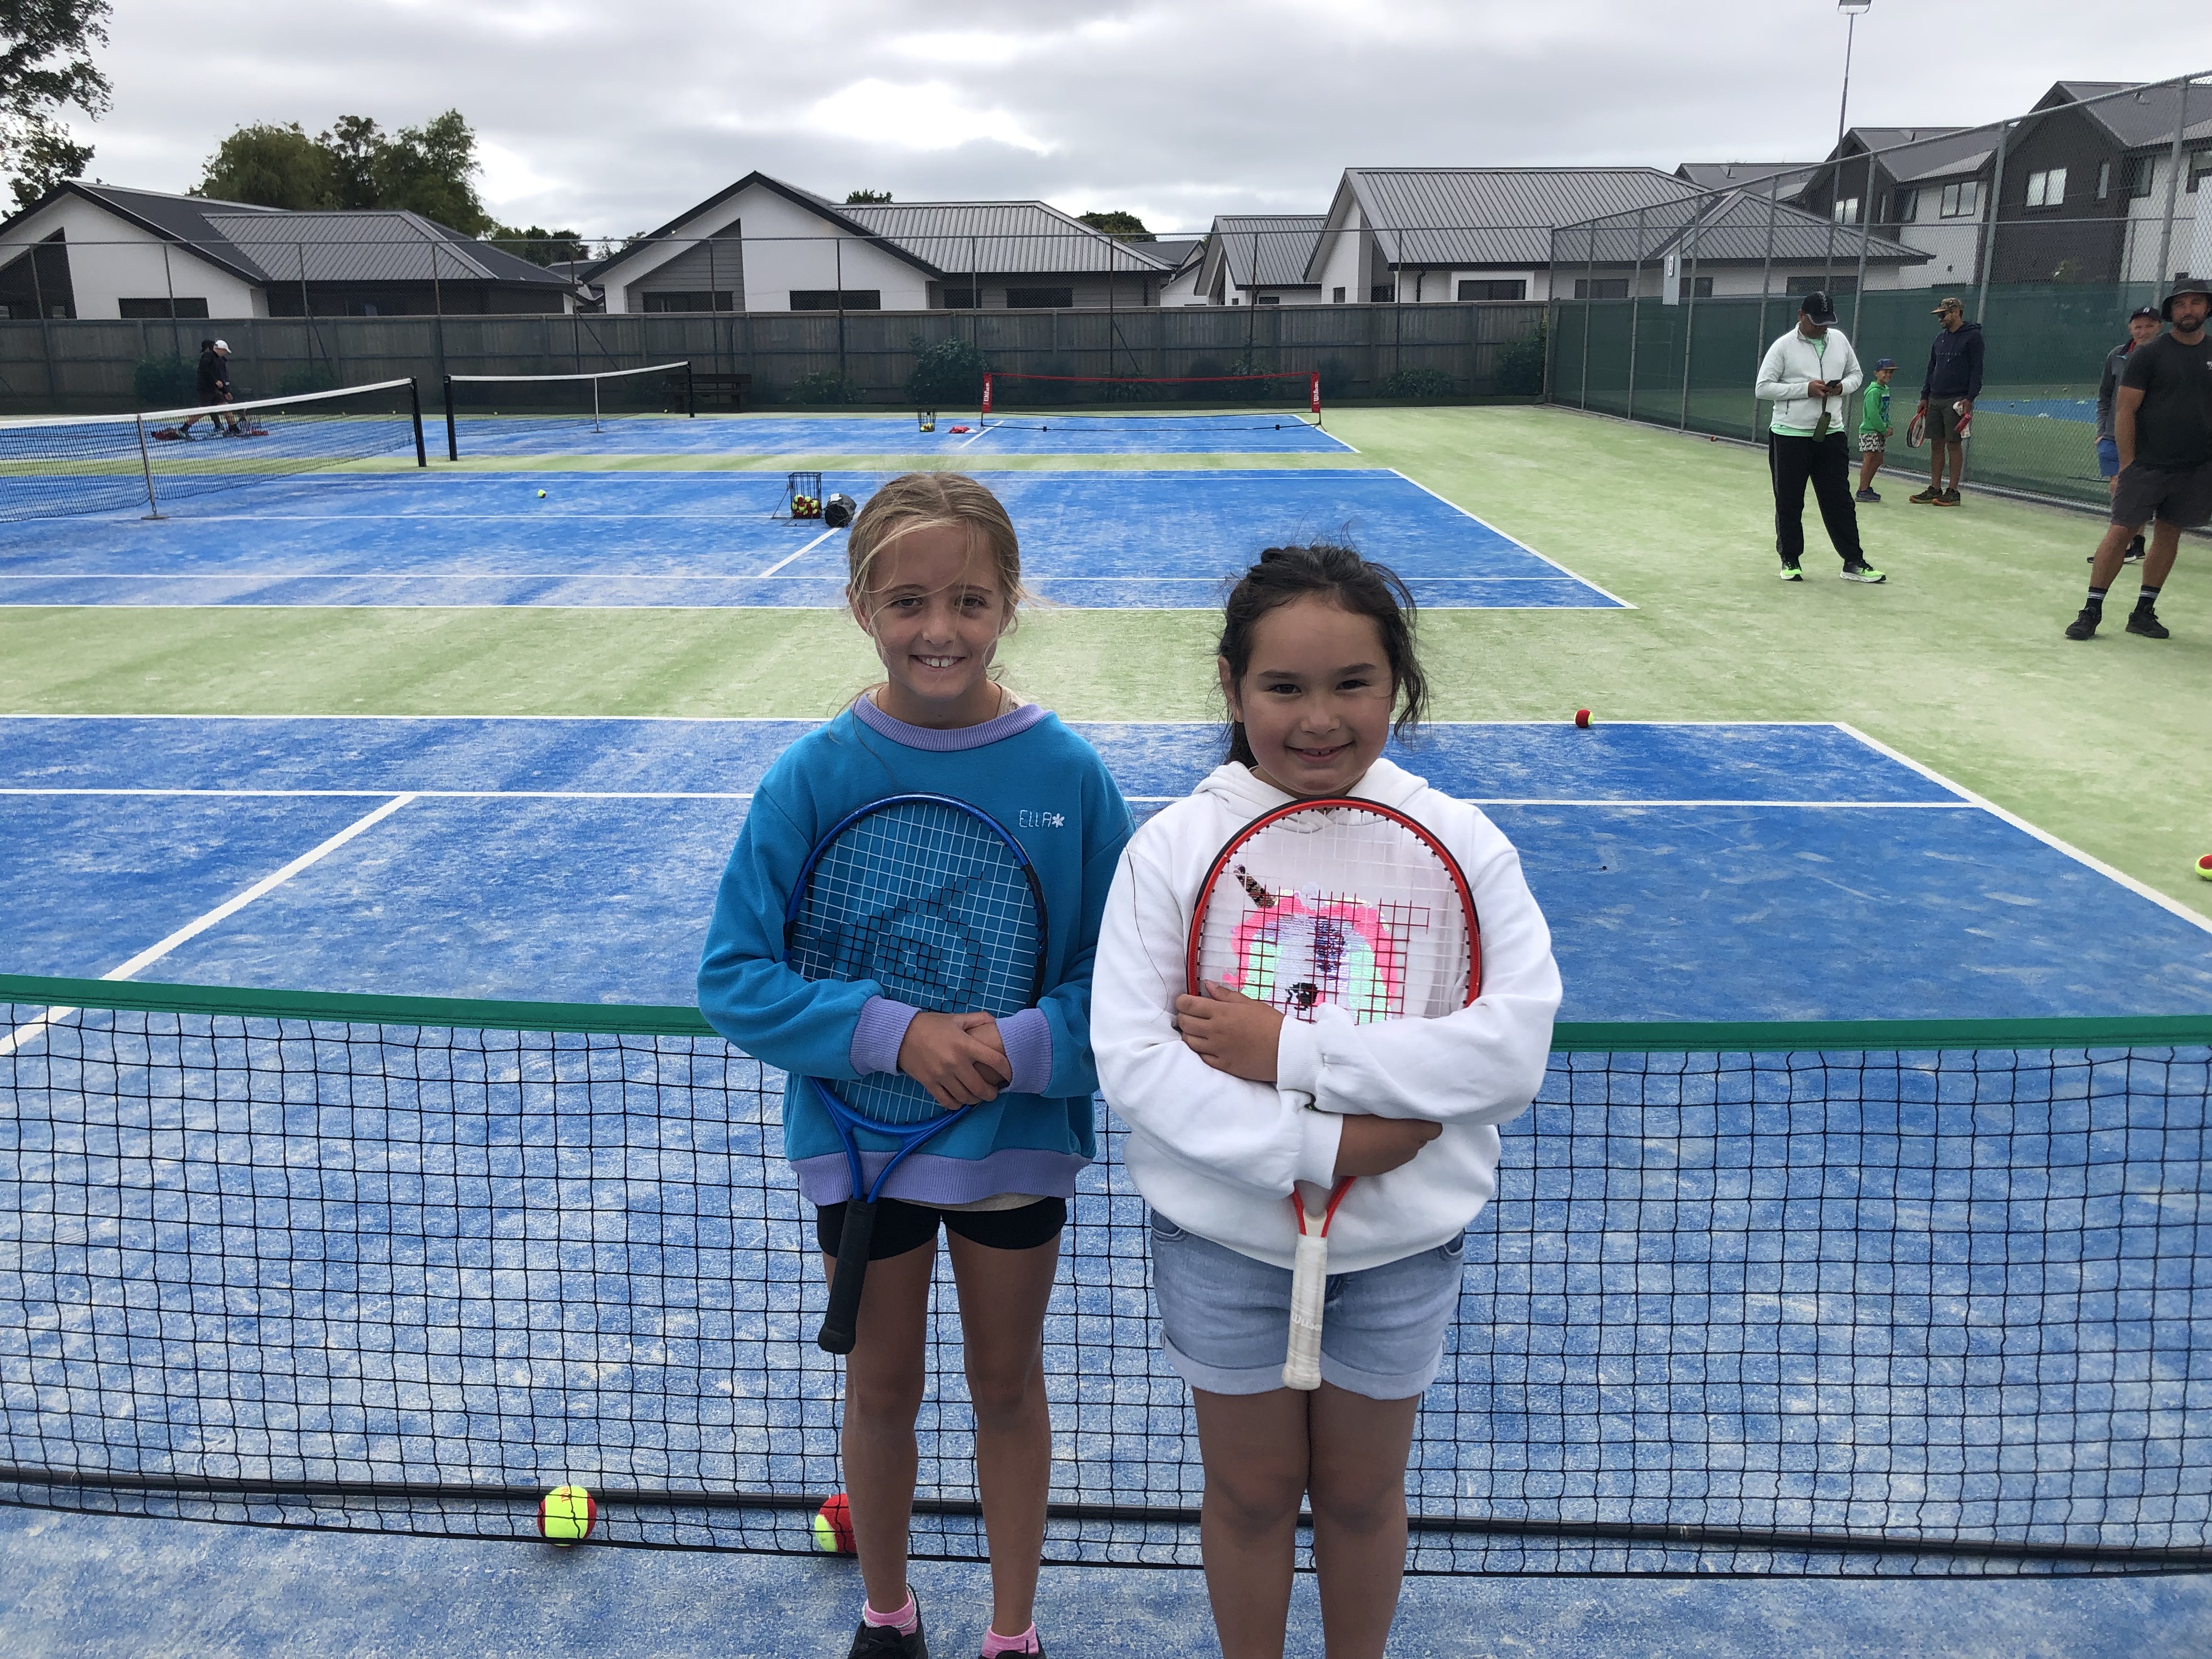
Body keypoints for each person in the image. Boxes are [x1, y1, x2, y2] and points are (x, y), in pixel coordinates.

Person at [1091, 545, 1560, 1659]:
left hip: (1402, 1247)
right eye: (1283, 686)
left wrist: (1289, 1048)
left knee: (1360, 1496)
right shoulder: (1173, 848)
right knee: (1250, 1495)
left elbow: (1508, 1053)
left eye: (1352, 683)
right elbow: (1138, 1061)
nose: (1318, 718)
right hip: (1223, 1244)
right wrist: (1332, 1142)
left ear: (1397, 682)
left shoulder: (1464, 843)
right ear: (1231, 686)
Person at [697, 472, 1132, 1659]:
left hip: (1013, 1147)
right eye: (907, 603)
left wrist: (1026, 1045)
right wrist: (895, 1033)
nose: (939, 629)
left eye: (969, 601)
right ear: (861, 608)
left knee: (1008, 1386)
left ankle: (1011, 1631)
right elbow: (735, 977)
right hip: (858, 1150)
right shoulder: (811, 776)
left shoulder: (1070, 776)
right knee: (880, 1389)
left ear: (1008, 605)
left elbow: (1123, 981)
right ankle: (887, 1615)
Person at [2064, 280, 2212, 642]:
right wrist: (2129, 464)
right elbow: (2125, 410)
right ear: (2171, 311)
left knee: (2170, 533)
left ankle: (2143, 612)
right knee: (2121, 533)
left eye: (2196, 303)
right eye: (2181, 304)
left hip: (2195, 468)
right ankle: (2091, 611)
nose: (2188, 310)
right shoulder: (2149, 354)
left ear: (2207, 308)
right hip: (2146, 465)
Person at [1755, 291, 1887, 582]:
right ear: (1801, 316)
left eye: (1827, 322)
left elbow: (1856, 375)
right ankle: (1790, 560)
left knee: (1840, 501)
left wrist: (1841, 388)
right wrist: (1805, 389)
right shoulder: (1783, 347)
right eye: (1816, 322)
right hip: (1789, 435)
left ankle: (1853, 562)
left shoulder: (1839, 341)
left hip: (1831, 433)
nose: (1822, 328)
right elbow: (1763, 388)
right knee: (1789, 501)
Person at [2092, 305, 2163, 564]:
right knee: (2118, 486)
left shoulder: (2166, 356)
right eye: (2138, 326)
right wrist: (2102, 431)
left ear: (2159, 327)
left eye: (2149, 326)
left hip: (2148, 437)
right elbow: (2105, 395)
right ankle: (2131, 542)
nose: (2143, 332)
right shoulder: (2116, 355)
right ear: (2130, 328)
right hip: (2113, 435)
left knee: (2136, 489)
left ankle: (2131, 543)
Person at [1911, 296, 1983, 505]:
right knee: (1936, 444)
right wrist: (1925, 396)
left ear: (1957, 312)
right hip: (1935, 397)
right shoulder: (1939, 339)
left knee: (1953, 444)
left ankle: (1953, 492)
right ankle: (1935, 488)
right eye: (1939, 315)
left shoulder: (1973, 337)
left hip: (1956, 400)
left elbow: (1977, 370)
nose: (1940, 318)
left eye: (1944, 314)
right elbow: (1931, 367)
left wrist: (1969, 398)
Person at [175, 338, 240, 437]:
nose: (225, 353)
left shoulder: (220, 360)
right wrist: (215, 381)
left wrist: (226, 392)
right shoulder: (207, 357)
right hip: (206, 391)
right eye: (224, 351)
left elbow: (221, 379)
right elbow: (205, 371)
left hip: (216, 391)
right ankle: (183, 430)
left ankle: (234, 429)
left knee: (226, 408)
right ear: (219, 349)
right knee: (202, 411)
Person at [1855, 357, 1897, 503]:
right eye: (1885, 372)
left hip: (1880, 432)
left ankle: (1866, 487)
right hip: (1870, 431)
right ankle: (1862, 491)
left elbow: (1885, 412)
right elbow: (1873, 414)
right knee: (1870, 460)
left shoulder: (1885, 390)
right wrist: (1883, 430)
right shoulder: (1873, 392)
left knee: (1878, 460)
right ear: (1876, 373)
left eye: (1891, 373)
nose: (1888, 375)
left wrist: (1889, 425)